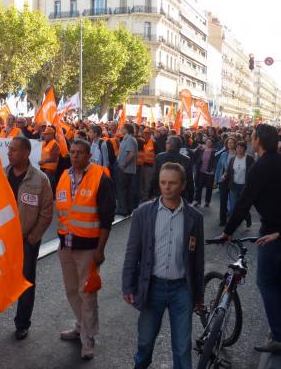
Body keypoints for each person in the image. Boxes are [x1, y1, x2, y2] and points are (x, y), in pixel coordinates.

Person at [218, 124, 281, 354]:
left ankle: (280, 337)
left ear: (258, 141)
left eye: (252, 137)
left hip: (271, 232)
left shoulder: (261, 166)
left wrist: (228, 230)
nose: (250, 140)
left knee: (266, 282)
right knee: (280, 280)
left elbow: (244, 201)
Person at [0, 137, 53, 341]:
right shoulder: (1, 175)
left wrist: (32, 238)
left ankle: (22, 324)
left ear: (25, 153)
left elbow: (46, 214)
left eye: (13, 150)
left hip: (26, 242)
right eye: (10, 150)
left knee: (25, 283)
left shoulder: (40, 180)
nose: (9, 153)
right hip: (1, 241)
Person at [122, 162, 204, 369]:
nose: (167, 187)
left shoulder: (194, 217)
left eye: (172, 183)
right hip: (152, 287)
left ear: (183, 185)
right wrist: (128, 286)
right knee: (145, 342)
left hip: (182, 290)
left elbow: (198, 259)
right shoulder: (143, 213)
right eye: (163, 182)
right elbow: (133, 252)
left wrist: (198, 296)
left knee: (182, 346)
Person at [56, 139, 115, 360]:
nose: (75, 156)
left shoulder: (101, 177)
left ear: (89, 155)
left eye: (80, 152)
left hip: (89, 248)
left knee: (87, 294)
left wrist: (101, 250)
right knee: (72, 290)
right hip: (66, 245)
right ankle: (80, 326)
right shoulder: (64, 176)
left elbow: (107, 217)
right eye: (72, 152)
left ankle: (88, 339)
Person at [149, 136, 194, 202]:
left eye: (167, 142)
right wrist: (190, 196)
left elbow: (154, 176)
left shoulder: (160, 157)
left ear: (170, 145)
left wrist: (150, 192)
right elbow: (189, 179)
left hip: (162, 192)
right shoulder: (186, 159)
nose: (165, 144)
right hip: (179, 193)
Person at [225, 140, 254, 228]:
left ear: (244, 149)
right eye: (238, 148)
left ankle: (247, 217)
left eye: (241, 148)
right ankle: (233, 223)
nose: (239, 149)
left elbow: (253, 171)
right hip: (234, 185)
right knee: (233, 206)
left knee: (242, 205)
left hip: (245, 186)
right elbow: (229, 171)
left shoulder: (249, 158)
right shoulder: (232, 159)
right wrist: (225, 174)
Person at [116, 124, 138, 216]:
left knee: (122, 189)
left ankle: (124, 209)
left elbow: (131, 154)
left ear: (127, 129)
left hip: (126, 169)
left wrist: (124, 164)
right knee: (124, 189)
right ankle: (125, 208)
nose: (121, 129)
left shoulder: (130, 139)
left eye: (123, 128)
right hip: (124, 168)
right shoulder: (127, 138)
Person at [214, 136, 236, 226]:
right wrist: (216, 180)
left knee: (233, 201)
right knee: (223, 201)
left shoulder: (238, 154)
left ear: (235, 144)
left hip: (234, 180)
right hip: (223, 179)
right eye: (228, 143)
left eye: (232, 142)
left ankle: (233, 220)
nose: (230, 144)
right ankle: (222, 220)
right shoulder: (224, 154)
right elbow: (219, 167)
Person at [192, 137, 216, 207]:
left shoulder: (214, 151)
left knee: (209, 187)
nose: (208, 143)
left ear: (212, 143)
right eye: (207, 142)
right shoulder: (201, 150)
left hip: (209, 172)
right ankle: (197, 201)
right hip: (201, 171)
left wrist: (213, 170)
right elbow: (195, 156)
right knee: (199, 186)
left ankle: (207, 201)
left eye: (210, 142)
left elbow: (215, 162)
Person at [39, 126, 60, 192]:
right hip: (43, 167)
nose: (44, 136)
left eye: (46, 134)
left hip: (49, 169)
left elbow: (54, 157)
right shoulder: (44, 143)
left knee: (47, 185)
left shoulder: (55, 144)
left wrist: (43, 161)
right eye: (44, 134)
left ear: (51, 135)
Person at [139, 128, 156, 202]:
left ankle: (146, 196)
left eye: (148, 133)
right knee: (142, 181)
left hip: (149, 165)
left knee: (147, 182)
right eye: (145, 133)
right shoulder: (141, 142)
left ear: (150, 134)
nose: (146, 134)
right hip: (141, 165)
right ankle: (143, 195)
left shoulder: (154, 143)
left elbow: (157, 154)